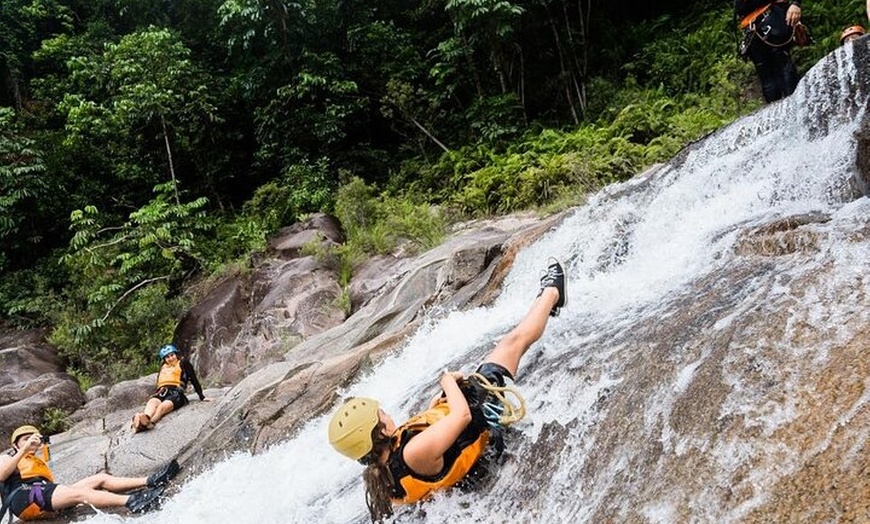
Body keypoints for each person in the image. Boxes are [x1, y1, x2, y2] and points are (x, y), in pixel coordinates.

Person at [328, 259, 567, 522]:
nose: (386, 414)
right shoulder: (413, 452)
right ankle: (553, 294)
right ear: (380, 432)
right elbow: (462, 417)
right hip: (480, 418)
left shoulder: (380, 473)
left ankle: (545, 304)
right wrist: (447, 382)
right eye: (381, 415)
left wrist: (435, 409)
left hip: (459, 453)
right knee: (512, 342)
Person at [0, 425, 179, 520]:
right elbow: (1, 475)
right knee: (80, 493)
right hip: (25, 497)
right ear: (15, 444)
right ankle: (133, 501)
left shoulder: (38, 460)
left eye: (34, 439)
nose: (31, 442)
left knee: (99, 479)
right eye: (25, 439)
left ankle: (150, 480)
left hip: (42, 495)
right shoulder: (9, 457)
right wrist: (23, 451)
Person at [131, 344, 210, 433]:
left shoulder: (183, 363)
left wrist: (201, 396)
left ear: (176, 354)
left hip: (176, 393)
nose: (170, 358)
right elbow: (159, 382)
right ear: (164, 359)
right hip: (162, 391)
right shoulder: (163, 367)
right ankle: (145, 418)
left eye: (172, 355)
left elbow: (193, 378)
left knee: (161, 407)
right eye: (167, 357)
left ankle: (148, 424)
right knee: (151, 403)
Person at [736, 0, 803, 103]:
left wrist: (795, 4)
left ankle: (792, 108)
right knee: (770, 78)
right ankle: (784, 112)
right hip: (757, 27)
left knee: (781, 68)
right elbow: (740, 7)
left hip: (770, 21)